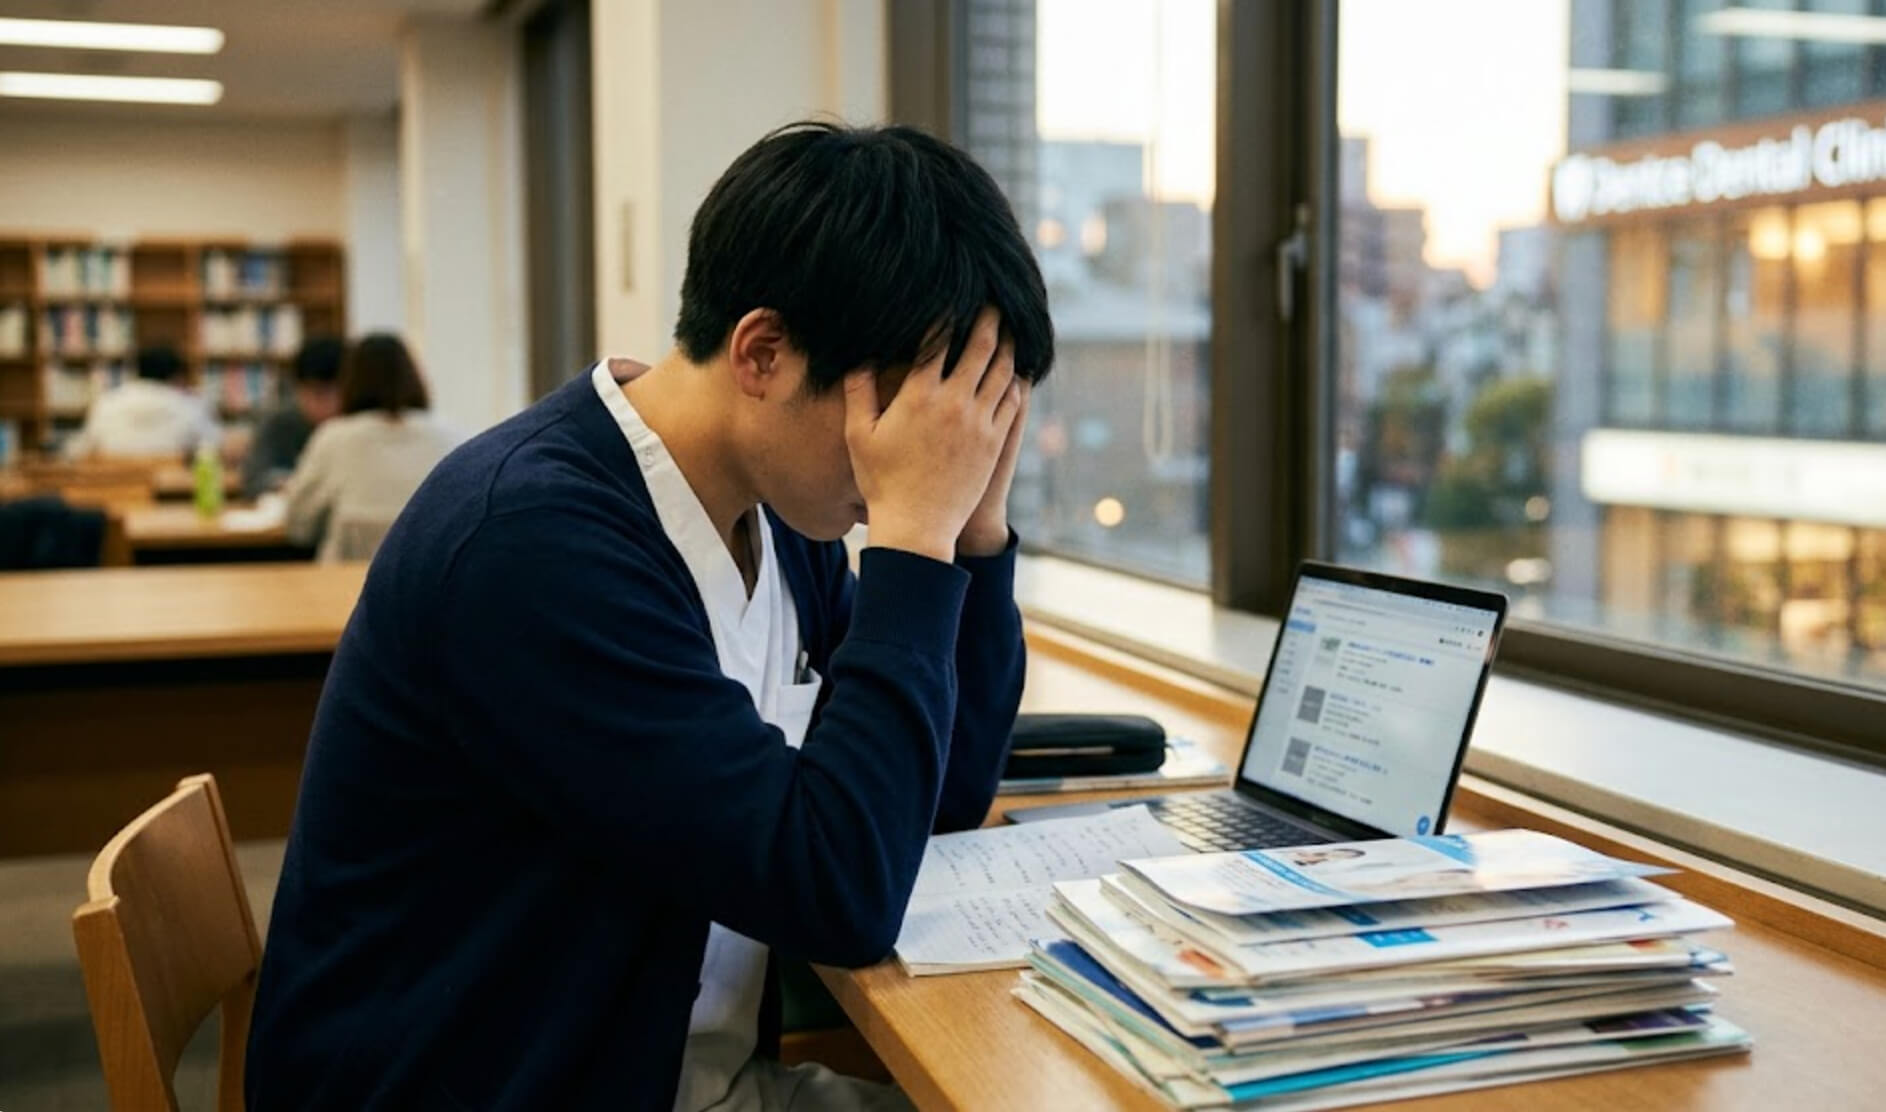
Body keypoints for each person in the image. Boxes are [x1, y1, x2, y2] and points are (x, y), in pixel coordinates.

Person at [246, 121, 1054, 1111]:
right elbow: (837, 891)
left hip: (664, 1068)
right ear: (761, 352)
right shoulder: (534, 540)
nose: (916, 460)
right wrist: (911, 543)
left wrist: (974, 532)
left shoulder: (776, 511)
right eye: (900, 422)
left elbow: (931, 808)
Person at [281, 334, 461, 562]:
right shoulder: (451, 437)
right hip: (431, 583)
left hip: (342, 587)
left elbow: (299, 526)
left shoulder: (334, 438)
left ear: (349, 382)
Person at [68, 345, 217, 459]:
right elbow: (214, 445)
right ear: (177, 376)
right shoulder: (188, 405)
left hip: (113, 490)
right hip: (171, 491)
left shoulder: (108, 402)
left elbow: (81, 449)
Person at [242, 335, 344, 498]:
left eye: (337, 394)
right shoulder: (279, 423)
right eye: (319, 394)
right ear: (298, 390)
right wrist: (289, 483)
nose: (330, 405)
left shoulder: (355, 425)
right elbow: (254, 480)